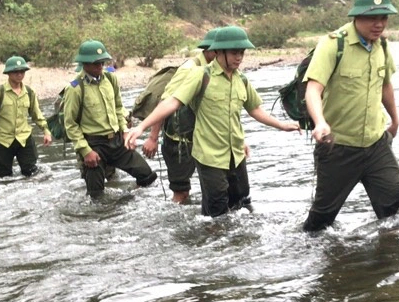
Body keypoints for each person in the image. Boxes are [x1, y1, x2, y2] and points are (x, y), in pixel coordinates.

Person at [126, 26, 299, 217]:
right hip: (210, 155)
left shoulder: (242, 79)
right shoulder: (201, 75)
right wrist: (143, 128)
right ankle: (211, 243)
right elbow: (172, 102)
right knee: (216, 209)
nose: (239, 57)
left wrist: (283, 126)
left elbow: (255, 110)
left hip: (235, 154)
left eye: (242, 52)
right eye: (234, 52)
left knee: (241, 201)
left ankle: (234, 244)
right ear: (218, 52)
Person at [300, 0, 399, 232]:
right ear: (356, 17)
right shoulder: (332, 45)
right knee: (321, 223)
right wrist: (320, 122)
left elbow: (385, 85)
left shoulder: (383, 47)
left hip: (376, 144)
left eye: (383, 18)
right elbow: (313, 89)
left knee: (397, 212)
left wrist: (395, 120)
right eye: (372, 17)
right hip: (338, 146)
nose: (379, 24)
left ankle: (390, 263)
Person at [61, 40, 157, 198]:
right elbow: (70, 125)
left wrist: (125, 132)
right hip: (93, 145)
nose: (100, 66)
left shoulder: (111, 80)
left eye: (102, 62)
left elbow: (119, 108)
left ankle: (127, 200)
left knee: (147, 176)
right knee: (97, 196)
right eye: (96, 63)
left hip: (117, 142)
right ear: (84, 63)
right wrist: (86, 152)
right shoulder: (75, 87)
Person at [143, 27, 220, 204]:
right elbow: (165, 100)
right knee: (181, 193)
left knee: (214, 188)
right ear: (209, 51)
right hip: (179, 142)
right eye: (221, 51)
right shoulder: (190, 69)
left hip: (201, 139)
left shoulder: (215, 70)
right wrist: (153, 137)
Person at [0, 56, 52, 178]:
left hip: (24, 139)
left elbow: (37, 115)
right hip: (2, 141)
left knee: (32, 174)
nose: (19, 74)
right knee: (3, 177)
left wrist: (46, 130)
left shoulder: (29, 92)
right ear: (8, 73)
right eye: (15, 71)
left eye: (22, 71)